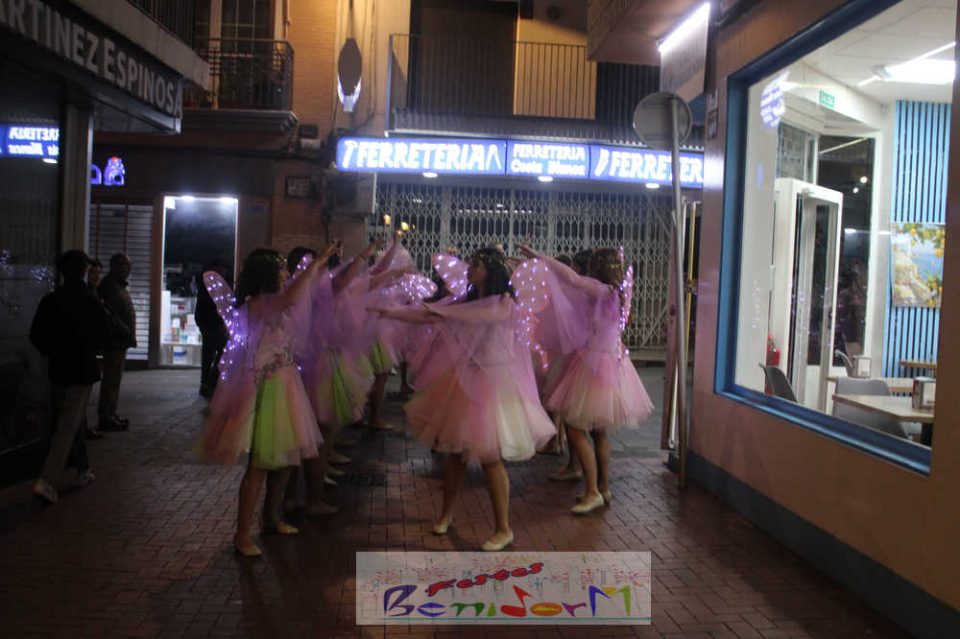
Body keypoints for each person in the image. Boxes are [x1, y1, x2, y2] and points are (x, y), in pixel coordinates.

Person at [374, 248, 554, 551]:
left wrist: (443, 312)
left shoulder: (504, 302)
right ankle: (446, 514)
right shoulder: (466, 300)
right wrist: (390, 313)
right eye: (472, 263)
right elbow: (429, 313)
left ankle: (503, 528)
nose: (470, 268)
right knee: (454, 455)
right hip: (466, 382)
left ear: (491, 271)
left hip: (494, 388)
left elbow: (482, 315)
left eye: (477, 265)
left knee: (490, 459)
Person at [197, 246, 333, 557]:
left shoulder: (274, 302)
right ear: (267, 275)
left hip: (285, 383)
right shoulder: (257, 304)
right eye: (281, 269)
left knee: (284, 459)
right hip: (267, 387)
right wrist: (317, 263)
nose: (286, 273)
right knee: (258, 465)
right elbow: (292, 297)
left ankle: (271, 517)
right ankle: (242, 533)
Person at [521, 245, 654, 515]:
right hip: (614, 364)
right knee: (599, 432)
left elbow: (572, 278)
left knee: (574, 427)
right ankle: (604, 487)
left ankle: (592, 491)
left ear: (598, 267)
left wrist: (540, 257)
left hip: (594, 365)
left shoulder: (601, 290)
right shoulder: (618, 293)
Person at [29, 250, 112, 503]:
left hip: (58, 369)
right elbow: (104, 335)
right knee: (68, 422)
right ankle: (48, 480)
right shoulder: (90, 301)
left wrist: (54, 351)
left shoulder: (51, 300)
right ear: (83, 271)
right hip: (82, 370)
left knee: (72, 418)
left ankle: (83, 469)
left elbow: (36, 336)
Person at [547, 249, 592, 481]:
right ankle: (575, 466)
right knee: (571, 417)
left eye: (574, 266)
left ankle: (585, 474)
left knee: (575, 420)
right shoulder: (585, 291)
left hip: (580, 358)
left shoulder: (588, 292)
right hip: (575, 355)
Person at [97, 253, 135, 432]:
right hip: (114, 340)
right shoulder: (110, 286)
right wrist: (125, 330)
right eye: (124, 265)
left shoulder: (118, 285)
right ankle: (106, 417)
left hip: (120, 340)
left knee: (115, 379)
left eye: (128, 266)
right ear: (114, 266)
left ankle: (110, 413)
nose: (127, 269)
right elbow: (111, 314)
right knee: (111, 380)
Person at [196, 260, 230, 398]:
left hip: (207, 323)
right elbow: (217, 305)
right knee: (222, 350)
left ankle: (207, 382)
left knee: (209, 352)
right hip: (212, 323)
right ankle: (210, 381)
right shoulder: (212, 285)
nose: (224, 272)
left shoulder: (205, 283)